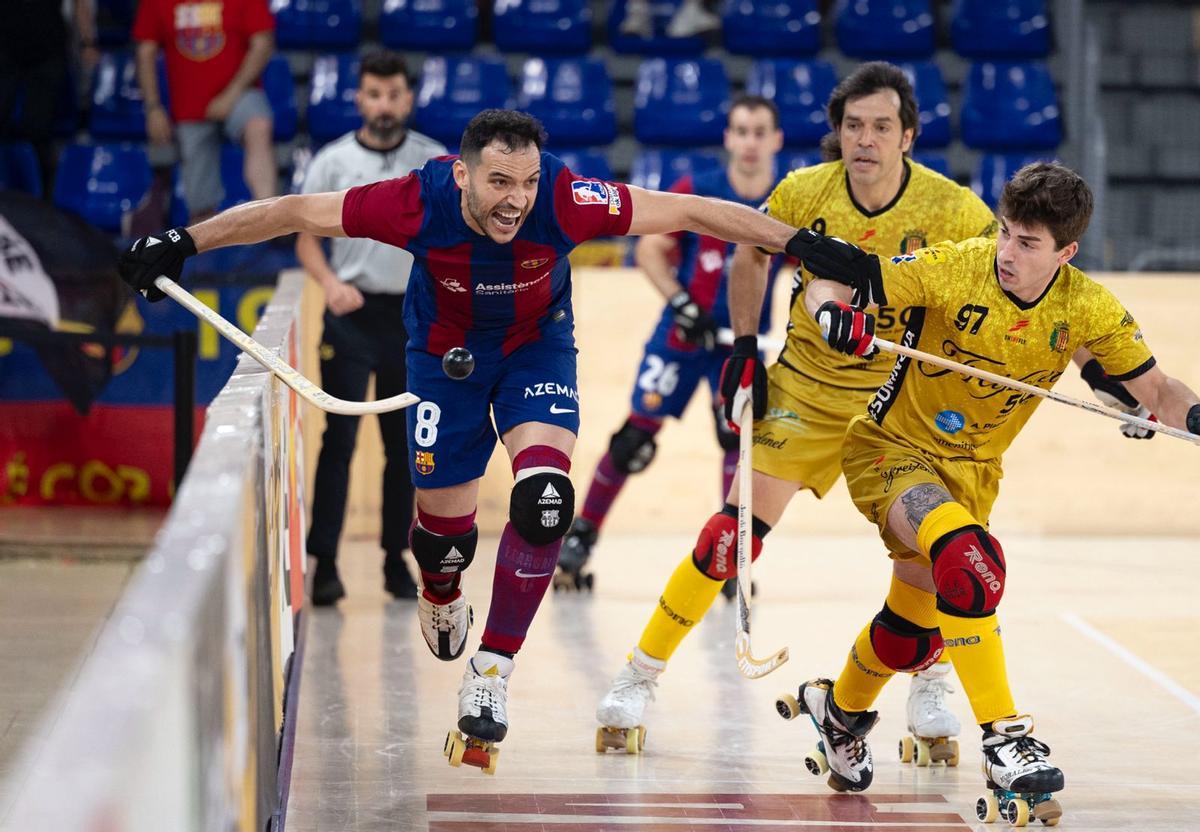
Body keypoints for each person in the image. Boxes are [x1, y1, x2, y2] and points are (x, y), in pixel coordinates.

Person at [114, 108, 819, 771]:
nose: (517, 199)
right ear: (462, 174)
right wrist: (183, 241)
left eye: (528, 182)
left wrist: (806, 245)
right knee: (442, 538)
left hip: (536, 351)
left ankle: (491, 671)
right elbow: (295, 212)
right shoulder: (415, 201)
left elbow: (695, 212)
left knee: (545, 502)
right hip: (442, 358)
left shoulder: (569, 199)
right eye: (499, 182)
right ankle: (442, 589)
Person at [595, 61, 997, 756]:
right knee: (729, 536)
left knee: (930, 560)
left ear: (909, 135)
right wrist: (746, 344)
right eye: (852, 126)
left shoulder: (953, 208)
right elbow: (751, 259)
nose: (864, 140)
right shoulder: (803, 190)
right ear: (837, 133)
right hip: (806, 394)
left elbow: (989, 285)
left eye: (880, 127)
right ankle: (640, 674)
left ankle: (930, 678)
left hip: (900, 411)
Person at [787, 162, 1200, 821]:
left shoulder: (1087, 308)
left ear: (1066, 252)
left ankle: (836, 711)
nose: (1008, 252)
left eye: (1028, 243)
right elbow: (834, 278)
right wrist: (833, 313)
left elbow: (1158, 392)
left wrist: (1193, 415)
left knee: (912, 634)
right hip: (890, 452)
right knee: (972, 565)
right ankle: (1007, 740)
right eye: (1006, 232)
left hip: (973, 474)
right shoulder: (957, 265)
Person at [557, 95, 787, 593]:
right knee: (635, 440)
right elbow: (649, 249)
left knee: (736, 441)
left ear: (776, 140)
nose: (749, 142)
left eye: (759, 132)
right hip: (683, 335)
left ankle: (731, 553)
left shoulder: (787, 199)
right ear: (728, 138)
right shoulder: (699, 191)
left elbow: (806, 269)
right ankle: (580, 539)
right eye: (741, 131)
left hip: (739, 340)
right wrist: (682, 303)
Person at [298, 51, 447, 605]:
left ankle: (394, 559)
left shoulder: (433, 162)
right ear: (359, 98)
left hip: (411, 322)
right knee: (338, 441)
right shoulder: (332, 162)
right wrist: (329, 283)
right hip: (350, 316)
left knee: (404, 448)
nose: (384, 105)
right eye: (374, 94)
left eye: (394, 94)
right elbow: (304, 233)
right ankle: (326, 563)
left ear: (409, 98)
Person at [133, 0, 277, 222]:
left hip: (239, 93)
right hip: (188, 106)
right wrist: (153, 108)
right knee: (200, 210)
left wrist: (231, 94)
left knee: (258, 124)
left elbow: (263, 43)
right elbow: (145, 51)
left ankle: (269, 216)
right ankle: (204, 244)